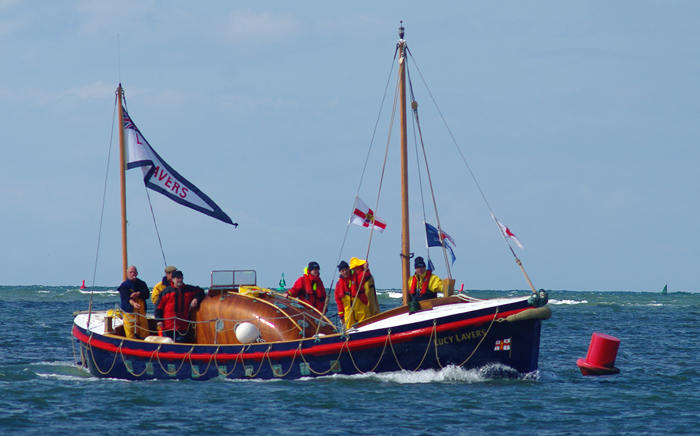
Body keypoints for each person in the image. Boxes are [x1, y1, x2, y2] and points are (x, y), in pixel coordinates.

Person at [154, 270, 205, 343]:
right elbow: (158, 306)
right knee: (167, 345)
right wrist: (159, 320)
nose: (179, 280)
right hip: (168, 326)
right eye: (177, 278)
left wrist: (196, 299)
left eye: (181, 278)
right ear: (173, 279)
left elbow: (200, 291)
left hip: (182, 326)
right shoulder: (166, 291)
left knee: (181, 345)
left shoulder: (188, 289)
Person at [117, 265, 150, 339]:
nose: (133, 274)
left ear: (137, 273)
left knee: (144, 332)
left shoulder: (142, 284)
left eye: (134, 272)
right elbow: (126, 298)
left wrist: (138, 293)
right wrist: (134, 303)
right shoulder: (124, 286)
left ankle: (145, 344)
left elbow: (147, 294)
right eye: (131, 272)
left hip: (141, 313)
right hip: (129, 313)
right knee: (130, 334)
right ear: (127, 274)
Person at [334, 260, 369, 329]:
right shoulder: (338, 285)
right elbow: (339, 302)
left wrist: (366, 269)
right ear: (340, 272)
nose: (345, 272)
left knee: (366, 328)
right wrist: (341, 317)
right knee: (348, 330)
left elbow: (365, 275)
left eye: (346, 270)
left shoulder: (357, 277)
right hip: (348, 313)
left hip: (361, 310)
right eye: (342, 270)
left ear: (349, 269)